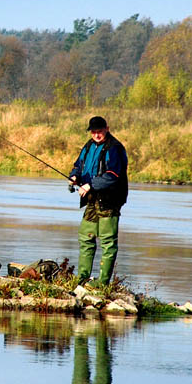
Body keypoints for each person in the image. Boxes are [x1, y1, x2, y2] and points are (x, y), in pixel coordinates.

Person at [68, 116, 128, 285]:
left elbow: (113, 175)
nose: (96, 135)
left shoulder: (114, 148)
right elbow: (79, 165)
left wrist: (89, 185)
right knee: (85, 237)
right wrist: (74, 176)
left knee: (108, 241)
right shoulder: (88, 146)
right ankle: (82, 278)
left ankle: (102, 283)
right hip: (92, 200)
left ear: (107, 129)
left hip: (110, 200)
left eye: (99, 131)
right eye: (93, 132)